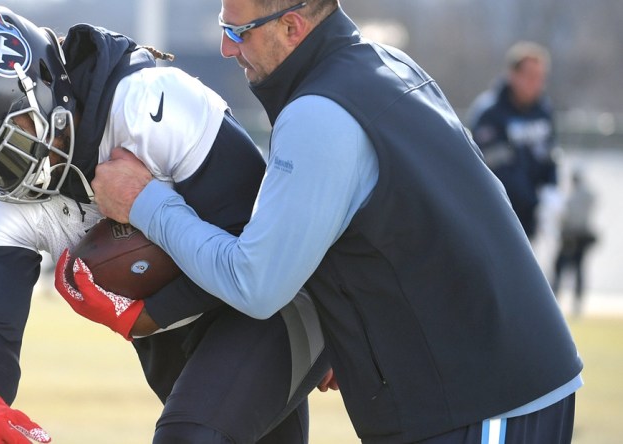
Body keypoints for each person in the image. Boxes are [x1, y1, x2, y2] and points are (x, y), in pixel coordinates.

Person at [86, 1, 584, 443]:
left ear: (292, 27)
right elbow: (409, 226)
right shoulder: (388, 63)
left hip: (488, 397)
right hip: (489, 387)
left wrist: (145, 202)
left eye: (238, 32)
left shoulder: (318, 112)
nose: (224, 47)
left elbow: (254, 283)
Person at [0, 5, 329, 444]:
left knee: (187, 437)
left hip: (274, 306)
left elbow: (261, 240)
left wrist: (144, 315)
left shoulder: (150, 106)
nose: (8, 176)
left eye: (13, 142)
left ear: (44, 85)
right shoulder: (1, 199)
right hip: (175, 342)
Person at [467, 41, 558, 240]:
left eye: (540, 77)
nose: (536, 83)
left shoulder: (543, 111)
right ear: (513, 75)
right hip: (498, 217)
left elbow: (549, 154)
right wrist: (535, 202)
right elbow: (495, 167)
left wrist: (552, 188)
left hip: (532, 217)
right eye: (530, 76)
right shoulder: (490, 113)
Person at [551, 166, 597, 316]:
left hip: (572, 237)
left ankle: (561, 299)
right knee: (574, 269)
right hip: (577, 236)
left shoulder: (576, 196)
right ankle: (570, 301)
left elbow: (567, 216)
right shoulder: (583, 195)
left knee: (564, 268)